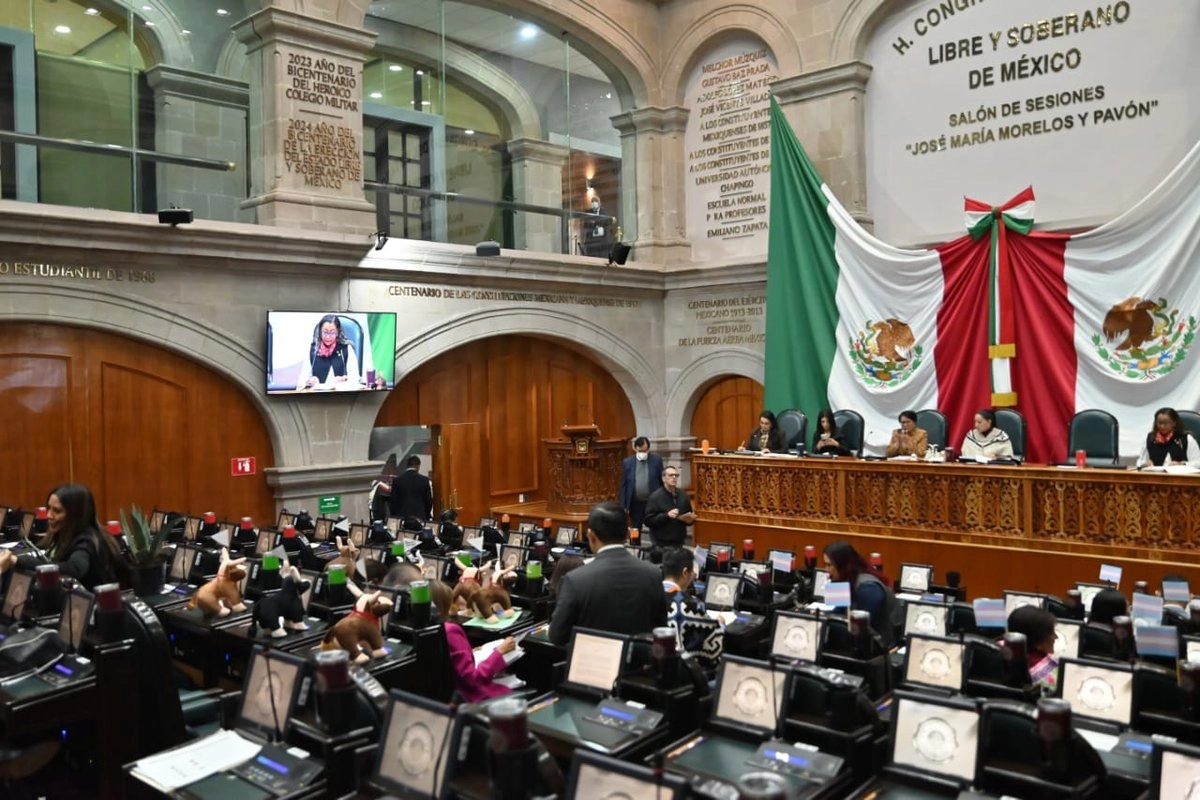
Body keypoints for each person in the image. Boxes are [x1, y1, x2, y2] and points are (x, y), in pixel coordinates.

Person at [548, 501, 667, 646]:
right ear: (627, 534)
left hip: (593, 665)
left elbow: (557, 636)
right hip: (637, 665)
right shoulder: (653, 573)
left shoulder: (575, 580)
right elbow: (661, 629)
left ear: (591, 535)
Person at [0, 484, 123, 590]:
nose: (49, 515)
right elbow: (50, 562)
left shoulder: (87, 541)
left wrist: (17, 560)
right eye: (49, 508)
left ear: (75, 515)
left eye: (57, 511)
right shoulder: (63, 535)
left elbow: (74, 569)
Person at [429, 579, 515, 702]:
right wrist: (499, 653)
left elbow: (448, 662)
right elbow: (473, 680)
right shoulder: (450, 631)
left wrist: (469, 652)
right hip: (470, 698)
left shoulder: (425, 629)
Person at [823, 541, 898, 648]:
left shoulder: (869, 588)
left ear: (842, 565)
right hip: (855, 637)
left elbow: (863, 629)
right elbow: (837, 612)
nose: (827, 570)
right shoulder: (844, 579)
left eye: (829, 565)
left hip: (878, 646)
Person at [296, 314, 360, 390]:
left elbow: (355, 379)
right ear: (320, 331)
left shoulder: (346, 348)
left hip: (342, 396)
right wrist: (309, 381)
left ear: (337, 333)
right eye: (325, 332)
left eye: (332, 332)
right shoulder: (313, 349)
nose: (328, 336)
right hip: (316, 397)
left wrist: (344, 381)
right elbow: (302, 381)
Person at [1006, 605, 1059, 692]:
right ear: (1037, 642)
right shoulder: (1052, 673)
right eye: (1051, 633)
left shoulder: (995, 652)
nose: (1056, 637)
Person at [643, 466, 696, 552]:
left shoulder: (683, 495)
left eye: (676, 475)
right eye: (671, 475)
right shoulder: (655, 497)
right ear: (663, 478)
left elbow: (689, 515)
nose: (674, 477)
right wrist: (666, 515)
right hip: (661, 544)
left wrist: (690, 520)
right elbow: (648, 521)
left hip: (679, 541)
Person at [619, 436, 664, 532]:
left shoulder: (656, 460)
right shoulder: (627, 462)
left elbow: (661, 481)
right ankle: (634, 546)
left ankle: (656, 546)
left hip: (652, 502)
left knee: (655, 527)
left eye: (645, 451)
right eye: (640, 451)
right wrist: (624, 505)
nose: (642, 454)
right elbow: (624, 484)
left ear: (649, 449)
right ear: (635, 449)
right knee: (635, 528)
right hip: (635, 503)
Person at [389, 455, 433, 527]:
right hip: (420, 517)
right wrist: (427, 516)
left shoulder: (397, 480)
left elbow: (393, 502)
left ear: (407, 466)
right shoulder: (424, 480)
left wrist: (394, 517)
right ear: (418, 466)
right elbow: (428, 502)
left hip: (403, 518)